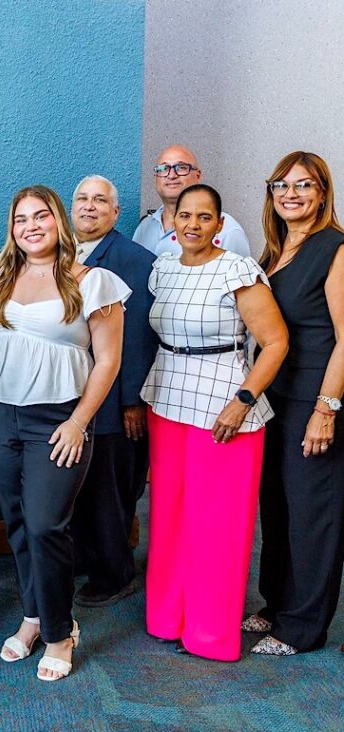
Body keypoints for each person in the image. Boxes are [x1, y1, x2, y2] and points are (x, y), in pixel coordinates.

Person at [0, 185, 127, 681]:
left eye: (41, 216)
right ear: (12, 229)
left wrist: (78, 421)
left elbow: (108, 360)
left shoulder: (93, 281)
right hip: (4, 417)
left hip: (60, 419)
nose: (31, 226)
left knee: (47, 525)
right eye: (21, 219)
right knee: (19, 525)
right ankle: (32, 617)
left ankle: (61, 633)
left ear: (58, 221)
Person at [142, 184, 288, 661]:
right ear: (174, 220)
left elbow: (276, 342)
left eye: (204, 217)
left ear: (219, 225)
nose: (193, 225)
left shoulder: (238, 269)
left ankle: (209, 633)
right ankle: (167, 618)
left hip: (225, 406)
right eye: (185, 215)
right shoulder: (161, 270)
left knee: (217, 524)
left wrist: (243, 400)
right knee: (170, 517)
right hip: (167, 398)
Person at [243, 152, 344, 656]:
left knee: (313, 514)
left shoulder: (335, 248)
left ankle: (303, 627)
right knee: (277, 507)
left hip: (316, 397)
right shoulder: (276, 249)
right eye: (281, 184)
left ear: (323, 192)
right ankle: (277, 604)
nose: (291, 193)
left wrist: (327, 409)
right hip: (275, 396)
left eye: (304, 185)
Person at [67, 176, 157, 608]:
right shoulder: (60, 253)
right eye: (82, 199)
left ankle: (116, 574)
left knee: (110, 492)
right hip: (75, 397)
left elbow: (139, 335)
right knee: (82, 490)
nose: (89, 206)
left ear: (115, 213)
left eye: (100, 200)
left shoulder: (134, 259)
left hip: (115, 402)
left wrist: (133, 402)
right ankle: (87, 559)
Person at [133, 145, 251, 258]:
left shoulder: (227, 230)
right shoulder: (144, 228)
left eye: (181, 168)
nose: (172, 175)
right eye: (164, 169)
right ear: (156, 177)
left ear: (198, 176)